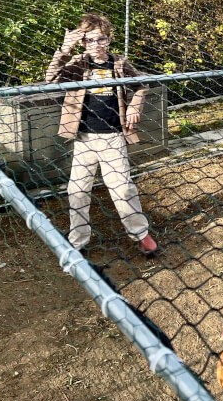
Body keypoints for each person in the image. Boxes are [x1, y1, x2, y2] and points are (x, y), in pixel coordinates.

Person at [45, 13, 159, 255]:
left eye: (101, 39)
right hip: (83, 139)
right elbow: (50, 80)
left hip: (112, 138)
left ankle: (141, 234)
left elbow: (141, 86)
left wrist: (134, 107)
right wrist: (64, 50)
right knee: (77, 191)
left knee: (122, 189)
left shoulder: (118, 64)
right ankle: (78, 240)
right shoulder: (77, 63)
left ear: (109, 39)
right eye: (89, 40)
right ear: (82, 42)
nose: (95, 45)